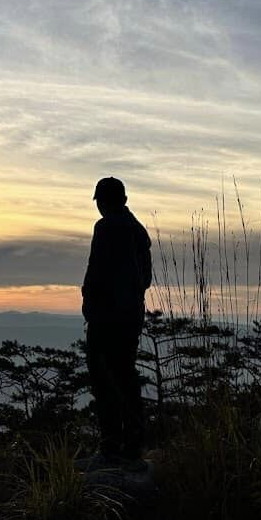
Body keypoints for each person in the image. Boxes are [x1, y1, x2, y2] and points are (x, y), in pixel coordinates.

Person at [81, 176, 152, 468]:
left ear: (103, 201)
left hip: (106, 318)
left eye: (100, 201)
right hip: (130, 316)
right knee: (125, 378)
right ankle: (132, 447)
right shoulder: (137, 231)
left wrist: (91, 306)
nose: (99, 206)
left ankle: (111, 447)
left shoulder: (106, 227)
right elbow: (145, 279)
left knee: (104, 381)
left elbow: (96, 272)